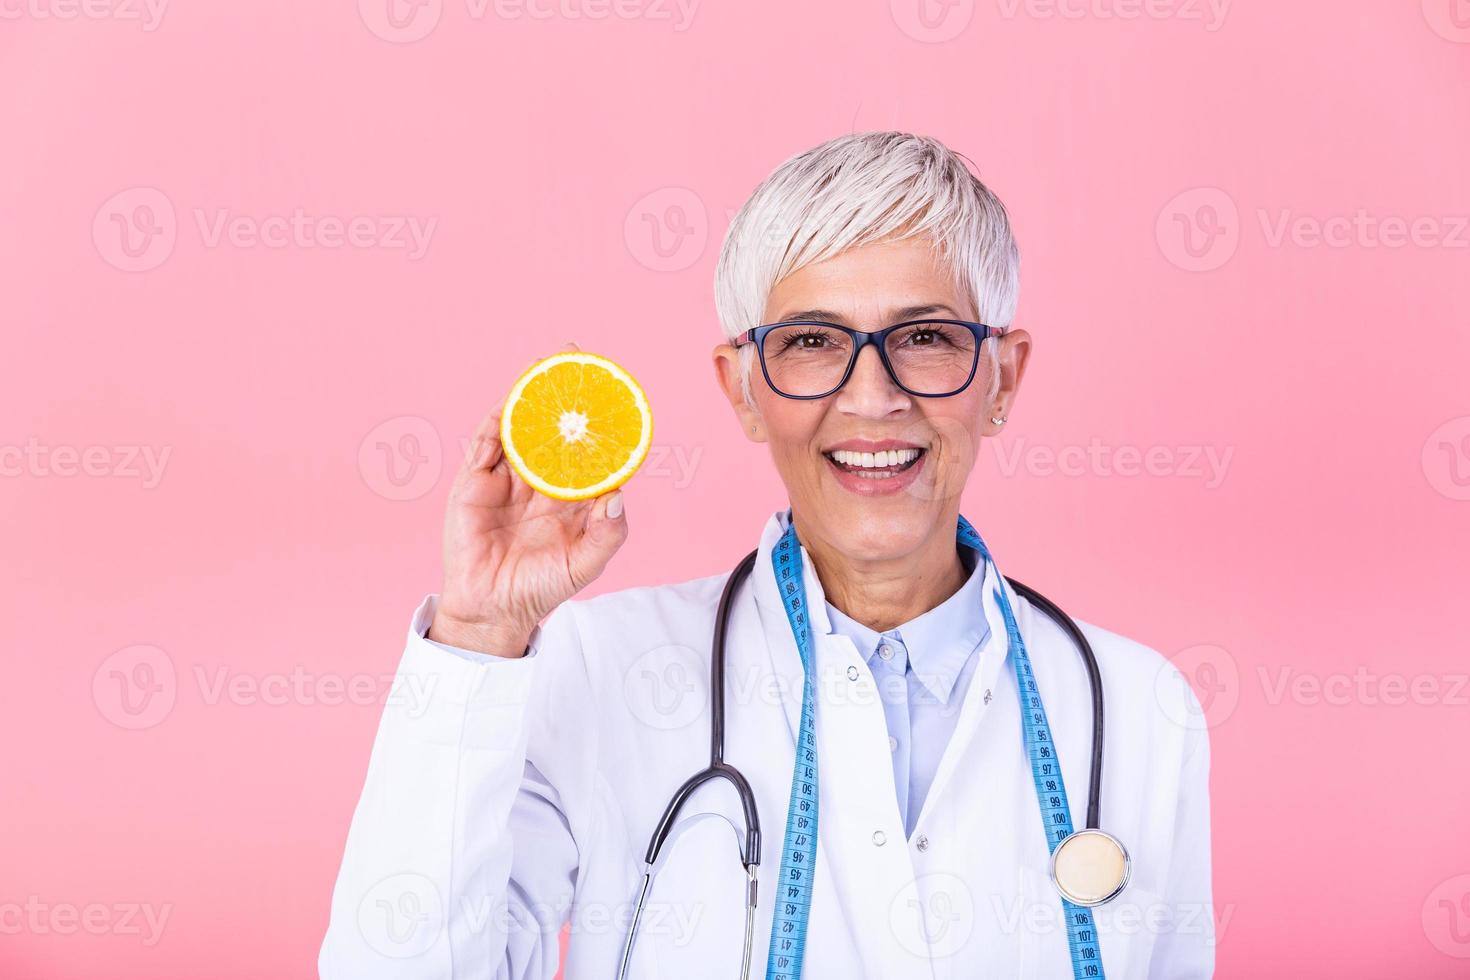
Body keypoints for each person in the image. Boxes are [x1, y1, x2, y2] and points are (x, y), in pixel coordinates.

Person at [319, 131, 1214, 979]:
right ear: (745, 391)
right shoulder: (601, 672)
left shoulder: (1137, 710)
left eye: (926, 338)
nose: (873, 399)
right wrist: (477, 633)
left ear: (1003, 378)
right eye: (813, 342)